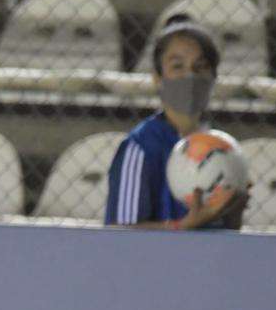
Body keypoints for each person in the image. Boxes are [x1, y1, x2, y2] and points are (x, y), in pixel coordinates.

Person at [104, 14, 250, 230]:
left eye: (200, 67)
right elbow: (118, 233)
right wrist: (182, 227)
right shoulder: (140, 146)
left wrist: (233, 213)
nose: (190, 77)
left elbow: (226, 235)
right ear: (157, 78)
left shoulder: (222, 148)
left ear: (213, 77)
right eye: (177, 66)